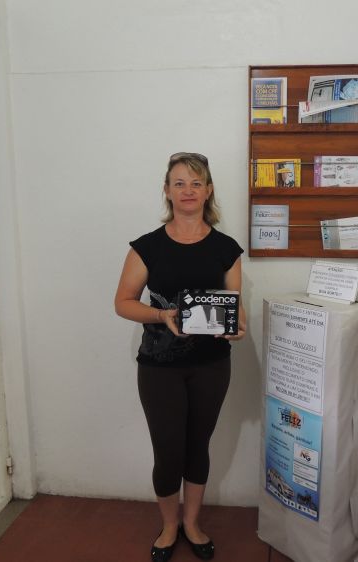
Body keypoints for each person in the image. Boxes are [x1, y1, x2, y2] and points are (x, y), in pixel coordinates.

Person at [114, 152, 246, 562]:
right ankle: (169, 526)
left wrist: (238, 326)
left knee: (198, 446)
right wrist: (161, 315)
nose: (188, 190)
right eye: (179, 183)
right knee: (168, 450)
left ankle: (192, 523)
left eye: (196, 183)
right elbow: (123, 302)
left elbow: (235, 308)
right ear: (167, 191)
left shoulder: (226, 249)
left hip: (211, 365)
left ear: (208, 191)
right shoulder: (147, 247)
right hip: (160, 368)